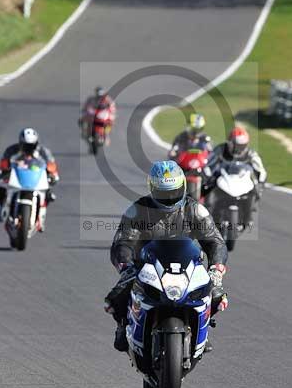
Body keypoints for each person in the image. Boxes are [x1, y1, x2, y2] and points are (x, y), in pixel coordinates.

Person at [105, 160, 229, 351]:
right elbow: (123, 241)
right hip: (147, 266)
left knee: (216, 294)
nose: (170, 198)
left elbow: (215, 240)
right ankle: (123, 325)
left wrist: (216, 269)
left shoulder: (195, 209)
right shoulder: (138, 210)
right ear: (153, 189)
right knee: (117, 296)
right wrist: (125, 265)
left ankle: (200, 330)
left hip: (187, 264)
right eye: (164, 193)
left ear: (183, 187)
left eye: (174, 192)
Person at [0, 128, 59, 222]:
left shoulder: (43, 151)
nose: (28, 148)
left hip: (35, 176)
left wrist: (53, 174)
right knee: (0, 191)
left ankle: (41, 215)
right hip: (17, 177)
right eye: (26, 145)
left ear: (36, 143)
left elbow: (51, 164)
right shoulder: (12, 150)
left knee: (49, 194)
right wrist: (3, 171)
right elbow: (4, 163)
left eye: (31, 145)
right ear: (21, 143)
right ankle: (4, 210)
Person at [204, 126, 267, 215]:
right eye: (237, 146)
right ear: (230, 142)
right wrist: (208, 175)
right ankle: (208, 211)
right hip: (223, 178)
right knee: (208, 189)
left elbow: (261, 170)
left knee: (256, 187)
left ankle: (250, 209)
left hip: (242, 179)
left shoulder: (251, 153)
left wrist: (260, 184)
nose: (239, 149)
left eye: (242, 146)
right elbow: (208, 164)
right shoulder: (220, 149)